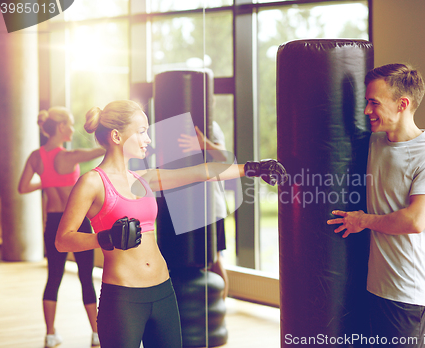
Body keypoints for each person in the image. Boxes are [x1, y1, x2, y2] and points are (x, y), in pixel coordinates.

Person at [54, 100, 287, 348]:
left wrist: (253, 168)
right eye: (142, 131)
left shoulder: (143, 178)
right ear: (116, 136)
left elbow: (202, 172)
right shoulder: (92, 183)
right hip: (123, 297)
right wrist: (104, 238)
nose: (148, 139)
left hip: (163, 291)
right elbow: (62, 239)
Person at [327, 64, 425, 347]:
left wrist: (363, 221)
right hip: (374, 285)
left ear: (402, 104)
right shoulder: (375, 141)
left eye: (374, 103)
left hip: (408, 290)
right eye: (366, 102)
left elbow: (415, 220)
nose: (367, 111)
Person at [18, 107, 106, 348]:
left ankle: (50, 335)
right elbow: (103, 148)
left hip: (53, 223)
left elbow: (23, 187)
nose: (73, 128)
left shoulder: (36, 157)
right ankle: (97, 334)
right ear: (60, 127)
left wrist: (46, 182)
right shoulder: (71, 155)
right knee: (86, 278)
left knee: (53, 278)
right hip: (76, 223)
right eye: (70, 124)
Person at [178, 122, 230, 299]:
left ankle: (221, 308)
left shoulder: (210, 125)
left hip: (212, 207)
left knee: (214, 259)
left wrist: (204, 144)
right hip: (188, 208)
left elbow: (225, 156)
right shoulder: (175, 122)